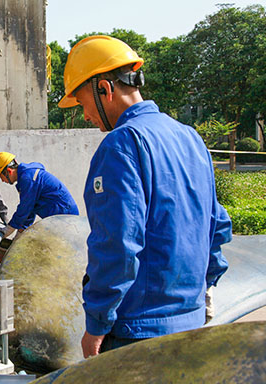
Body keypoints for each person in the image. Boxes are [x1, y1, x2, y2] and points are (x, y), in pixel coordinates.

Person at [57, 35, 233, 358]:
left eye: (82, 103)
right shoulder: (190, 138)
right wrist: (206, 287)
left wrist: (96, 325)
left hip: (138, 337)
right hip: (191, 323)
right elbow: (217, 225)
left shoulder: (121, 146)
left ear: (104, 89)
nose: (85, 115)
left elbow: (117, 246)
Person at [0, 152, 79, 238]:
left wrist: (9, 229)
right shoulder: (26, 177)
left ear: (9, 171)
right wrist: (21, 230)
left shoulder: (29, 179)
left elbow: (25, 207)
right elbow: (31, 209)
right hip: (59, 218)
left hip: (66, 219)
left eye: (1, 177)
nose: (2, 181)